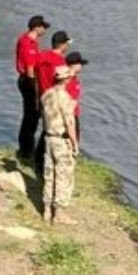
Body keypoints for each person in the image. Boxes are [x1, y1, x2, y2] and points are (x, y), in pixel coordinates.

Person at [40, 65, 80, 225]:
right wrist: (75, 143)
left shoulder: (46, 95)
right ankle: (59, 213)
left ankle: (46, 209)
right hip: (61, 140)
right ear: (67, 79)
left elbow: (43, 117)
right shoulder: (65, 98)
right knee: (63, 175)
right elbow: (70, 124)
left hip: (48, 138)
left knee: (49, 174)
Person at [33, 30, 71, 173]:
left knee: (45, 127)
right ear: (61, 44)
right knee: (52, 130)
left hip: (43, 96)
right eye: (66, 43)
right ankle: (42, 160)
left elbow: (36, 76)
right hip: (54, 98)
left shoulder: (42, 56)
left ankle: (38, 158)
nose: (67, 45)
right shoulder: (60, 61)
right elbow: (62, 82)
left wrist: (37, 97)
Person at [14, 15, 49, 161]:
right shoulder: (28, 44)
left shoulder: (28, 40)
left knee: (31, 116)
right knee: (31, 116)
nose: (45, 29)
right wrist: (36, 86)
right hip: (29, 82)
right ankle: (26, 150)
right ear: (37, 27)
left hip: (26, 80)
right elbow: (29, 69)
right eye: (43, 26)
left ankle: (27, 147)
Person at [64, 51, 88, 149]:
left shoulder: (74, 78)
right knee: (71, 140)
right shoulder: (66, 79)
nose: (81, 66)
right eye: (80, 64)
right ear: (74, 65)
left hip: (73, 112)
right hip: (70, 114)